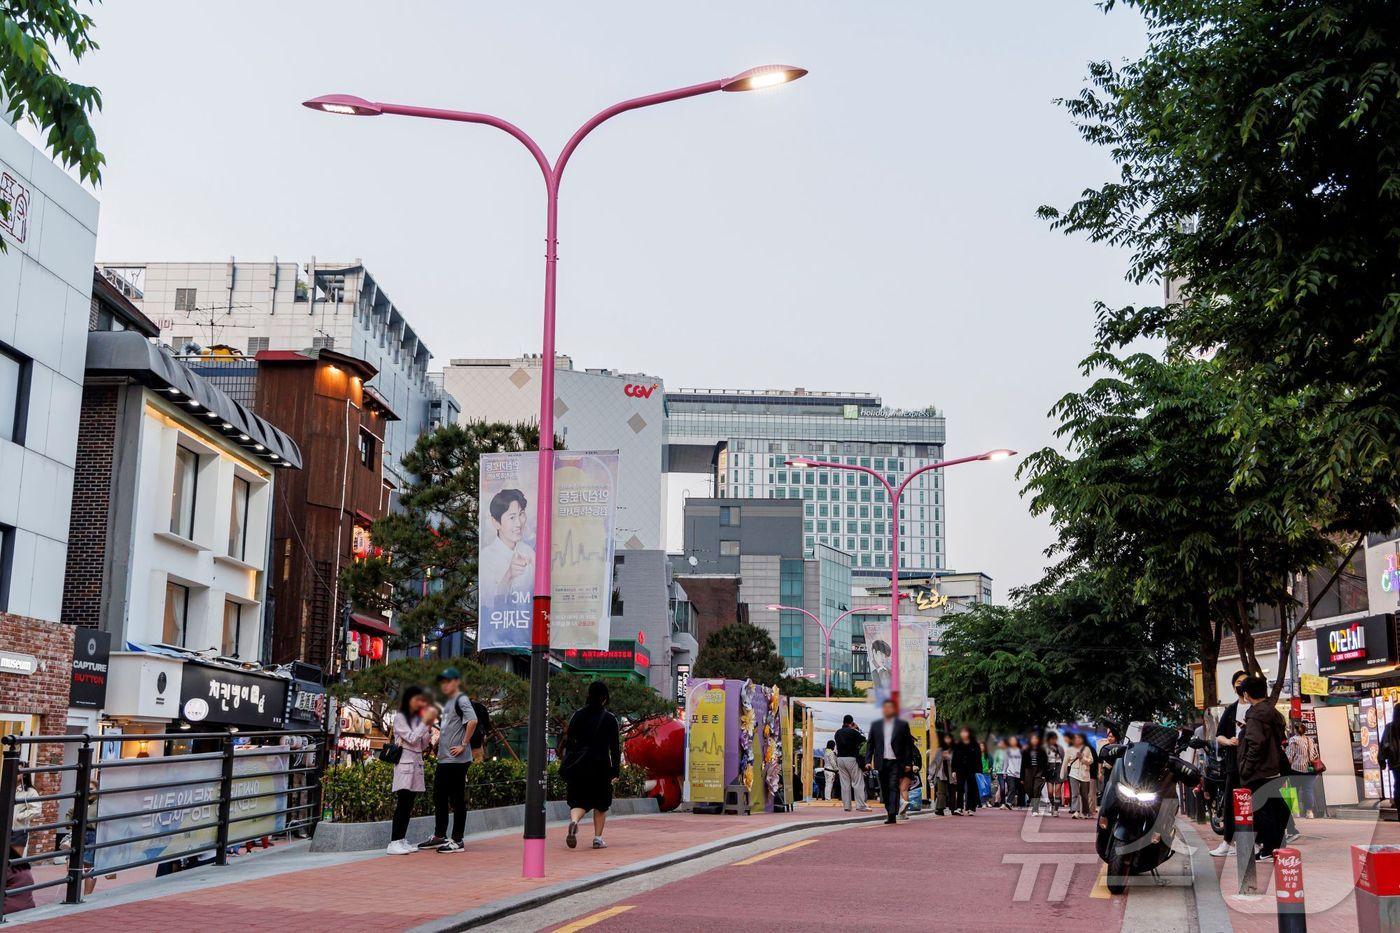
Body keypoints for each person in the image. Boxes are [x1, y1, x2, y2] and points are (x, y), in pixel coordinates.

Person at [417, 667, 478, 854]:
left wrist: (463, 743)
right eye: (442, 682)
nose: (444, 685)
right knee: (439, 796)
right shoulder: (449, 702)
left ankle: (457, 840)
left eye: (448, 681)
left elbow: (473, 720)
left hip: (457, 760)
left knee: (457, 799)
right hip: (445, 759)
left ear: (456, 682)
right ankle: (440, 835)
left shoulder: (462, 699)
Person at [560, 680, 622, 849]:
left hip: (579, 766)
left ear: (589, 695)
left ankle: (574, 822)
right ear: (604, 698)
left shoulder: (577, 715)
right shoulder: (610, 719)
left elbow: (569, 742)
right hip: (600, 766)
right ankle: (597, 838)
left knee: (578, 802)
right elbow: (615, 748)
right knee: (601, 804)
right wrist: (615, 770)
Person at [1238, 675, 1288, 862]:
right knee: (1275, 808)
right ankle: (1276, 845)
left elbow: (1255, 744)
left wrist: (1246, 768)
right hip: (1274, 768)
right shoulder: (1272, 713)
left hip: (1259, 771)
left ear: (1246, 693)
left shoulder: (1256, 716)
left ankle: (1269, 847)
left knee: (1263, 811)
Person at [387, 685, 438, 855]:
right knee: (402, 803)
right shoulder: (400, 718)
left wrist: (428, 728)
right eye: (418, 699)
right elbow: (411, 738)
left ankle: (401, 839)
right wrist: (424, 724)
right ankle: (394, 841)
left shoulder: (417, 720)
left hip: (416, 764)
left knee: (409, 804)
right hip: (404, 765)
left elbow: (422, 744)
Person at [1209, 670, 1251, 858]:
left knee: (1253, 803)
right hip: (1233, 763)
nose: (1240, 685)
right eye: (1237, 682)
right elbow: (1219, 736)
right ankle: (1227, 842)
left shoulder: (1256, 708)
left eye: (1244, 682)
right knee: (1229, 804)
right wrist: (1229, 741)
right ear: (1233, 686)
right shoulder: (1230, 710)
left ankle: (1257, 842)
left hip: (1252, 764)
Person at [479, 488, 535, 611]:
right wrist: (509, 575)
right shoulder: (486, 557)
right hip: (502, 625)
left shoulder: (529, 551)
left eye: (521, 514)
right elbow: (489, 604)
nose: (519, 523)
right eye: (512, 517)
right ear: (496, 522)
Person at [865, 700, 914, 824]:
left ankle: (892, 813)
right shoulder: (876, 725)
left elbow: (908, 745)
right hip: (881, 762)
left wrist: (908, 763)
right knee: (885, 788)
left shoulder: (902, 725)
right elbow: (870, 744)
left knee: (893, 786)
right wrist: (868, 760)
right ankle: (889, 810)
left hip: (896, 762)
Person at [833, 715, 870, 813]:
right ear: (852, 722)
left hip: (840, 759)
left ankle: (847, 806)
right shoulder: (854, 732)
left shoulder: (837, 733)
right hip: (851, 758)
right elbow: (864, 741)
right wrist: (857, 729)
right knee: (858, 782)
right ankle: (861, 805)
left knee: (845, 783)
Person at [1286, 721, 1318, 819]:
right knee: (1308, 790)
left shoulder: (1293, 740)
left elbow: (1289, 756)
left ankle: (1296, 812)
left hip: (1296, 769)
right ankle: (1309, 812)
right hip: (1310, 769)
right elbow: (1315, 754)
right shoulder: (1310, 740)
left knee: (1294, 790)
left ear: (1295, 730)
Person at [950, 726, 982, 815]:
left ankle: (970, 808)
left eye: (965, 732)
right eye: (962, 732)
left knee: (971, 788)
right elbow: (954, 758)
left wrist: (979, 770)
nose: (963, 734)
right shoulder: (958, 744)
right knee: (960, 787)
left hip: (971, 769)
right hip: (960, 769)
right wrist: (953, 770)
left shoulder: (974, 744)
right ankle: (959, 808)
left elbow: (978, 757)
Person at [1063, 733, 1095, 819]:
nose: (1077, 740)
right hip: (1073, 773)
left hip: (1085, 774)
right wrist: (1062, 774)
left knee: (1084, 794)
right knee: (1075, 793)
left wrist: (1082, 758)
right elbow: (1065, 762)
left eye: (1079, 738)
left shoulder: (1087, 749)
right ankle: (1076, 811)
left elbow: (1091, 761)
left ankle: (1085, 812)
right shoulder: (1069, 749)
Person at [1021, 733, 1051, 815]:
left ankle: (1035, 809)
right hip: (1028, 771)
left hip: (1039, 771)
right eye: (1033, 739)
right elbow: (1023, 765)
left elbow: (1045, 763)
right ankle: (1033, 802)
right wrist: (1022, 778)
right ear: (1030, 740)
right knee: (1029, 789)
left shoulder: (1042, 751)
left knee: (1036, 789)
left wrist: (1045, 775)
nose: (1034, 740)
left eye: (1036, 739)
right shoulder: (1026, 751)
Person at [930, 733, 953, 815]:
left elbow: (956, 761)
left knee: (952, 792)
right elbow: (935, 763)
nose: (947, 740)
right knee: (941, 792)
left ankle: (954, 808)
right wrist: (930, 775)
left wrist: (949, 757)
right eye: (946, 739)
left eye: (949, 738)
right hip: (941, 774)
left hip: (952, 774)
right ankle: (940, 809)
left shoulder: (954, 749)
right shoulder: (940, 750)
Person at [1044, 731, 1066, 817]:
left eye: (1054, 739)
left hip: (1058, 769)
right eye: (1051, 739)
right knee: (1050, 792)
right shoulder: (1046, 748)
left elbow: (1064, 760)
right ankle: (1053, 805)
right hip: (1049, 770)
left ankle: (1056, 809)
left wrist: (1063, 772)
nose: (1053, 740)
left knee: (1057, 790)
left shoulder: (1060, 748)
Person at [1002, 737, 1023, 810]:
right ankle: (1008, 802)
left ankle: (1016, 803)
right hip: (1010, 773)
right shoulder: (1008, 751)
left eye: (1014, 740)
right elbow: (1005, 762)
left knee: (1016, 789)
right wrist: (1004, 772)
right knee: (1012, 787)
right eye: (1011, 740)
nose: (1013, 742)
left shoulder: (1020, 751)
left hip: (1019, 773)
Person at [991, 739, 1008, 807]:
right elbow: (995, 762)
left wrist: (1004, 771)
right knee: (1002, 787)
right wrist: (994, 771)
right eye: (999, 743)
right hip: (999, 772)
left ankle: (1004, 802)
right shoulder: (997, 752)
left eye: (1001, 743)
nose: (1000, 744)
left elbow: (1006, 763)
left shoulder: (1007, 752)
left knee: (1004, 787)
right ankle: (1002, 803)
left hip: (1006, 772)